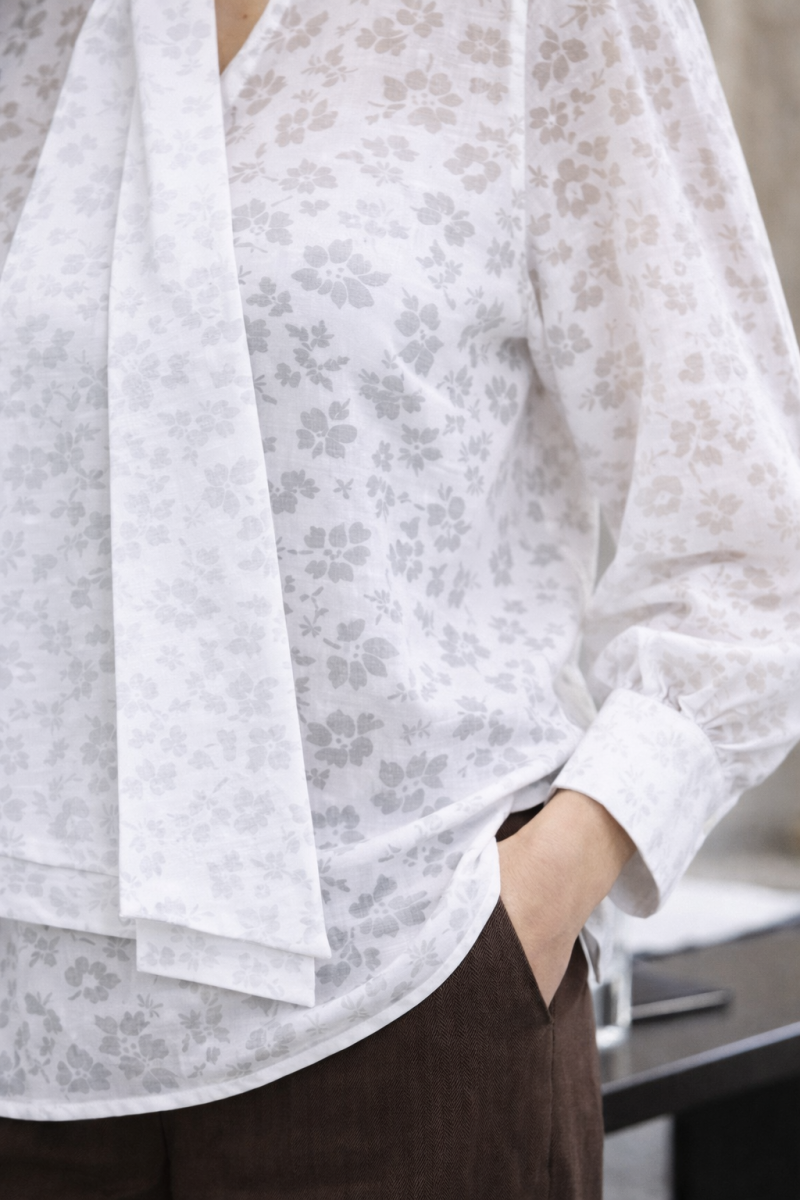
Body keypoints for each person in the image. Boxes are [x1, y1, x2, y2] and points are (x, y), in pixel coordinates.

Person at [1, 0, 799, 1195]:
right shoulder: (34, 35)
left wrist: (536, 899)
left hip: (405, 1016)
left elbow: (745, 538)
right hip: (29, 1051)